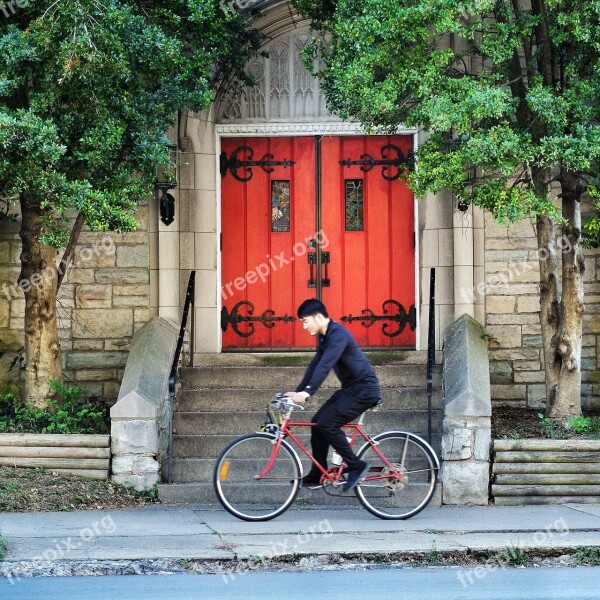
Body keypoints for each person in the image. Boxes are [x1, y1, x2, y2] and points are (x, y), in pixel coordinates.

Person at [284, 299, 381, 492]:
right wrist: (299, 390)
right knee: (317, 422)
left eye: (305, 321)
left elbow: (325, 365)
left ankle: (356, 465)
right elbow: (315, 364)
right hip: (351, 389)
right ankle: (317, 473)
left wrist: (307, 392)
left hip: (364, 389)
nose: (304, 326)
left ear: (318, 317)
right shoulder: (324, 336)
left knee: (327, 422)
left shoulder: (338, 334)